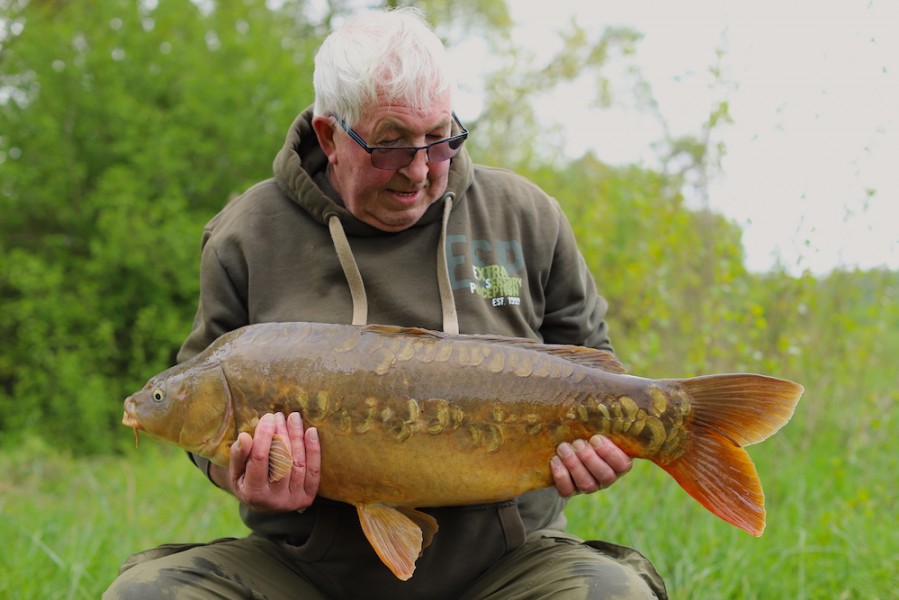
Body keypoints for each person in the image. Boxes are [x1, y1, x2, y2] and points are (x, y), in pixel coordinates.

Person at [105, 7, 667, 599]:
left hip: (508, 566)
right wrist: (236, 473)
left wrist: (607, 449)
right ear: (330, 136)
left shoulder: (525, 217)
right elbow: (201, 409)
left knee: (614, 593)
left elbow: (599, 367)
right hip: (307, 573)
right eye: (392, 145)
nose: (420, 171)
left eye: (439, 139)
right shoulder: (246, 234)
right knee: (146, 595)